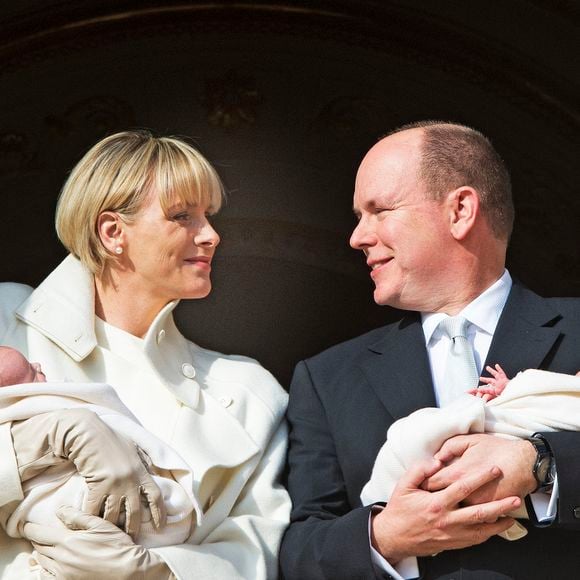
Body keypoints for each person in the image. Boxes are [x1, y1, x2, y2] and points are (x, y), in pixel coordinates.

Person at [280, 121, 580, 579]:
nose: (357, 237)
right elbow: (299, 551)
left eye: (379, 210)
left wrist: (541, 465)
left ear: (460, 210)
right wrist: (384, 538)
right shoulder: (326, 379)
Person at [0, 130, 290, 579]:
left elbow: (258, 548)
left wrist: (153, 573)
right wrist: (36, 442)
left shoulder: (249, 392)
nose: (211, 235)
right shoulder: (3, 320)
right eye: (182, 216)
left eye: (208, 216)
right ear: (113, 232)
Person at [0, 346, 201, 550]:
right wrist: (22, 442)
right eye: (32, 373)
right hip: (60, 507)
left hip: (172, 535)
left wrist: (166, 572)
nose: (39, 365)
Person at [360, 366, 580, 543]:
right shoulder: (331, 371)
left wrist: (535, 461)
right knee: (416, 435)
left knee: (418, 434)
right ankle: (379, 506)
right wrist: (384, 534)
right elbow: (540, 387)